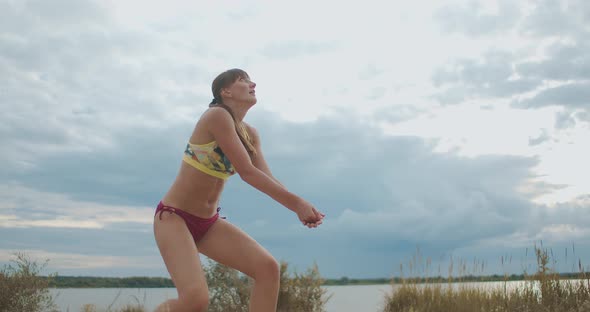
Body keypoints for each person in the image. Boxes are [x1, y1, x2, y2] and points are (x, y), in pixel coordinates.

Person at [153, 68, 325, 312]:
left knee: (267, 268)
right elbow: (247, 172)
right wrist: (297, 204)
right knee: (195, 299)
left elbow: (266, 176)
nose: (252, 83)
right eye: (243, 80)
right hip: (174, 217)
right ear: (226, 91)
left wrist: (301, 206)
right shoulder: (216, 116)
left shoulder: (250, 134)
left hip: (208, 223)